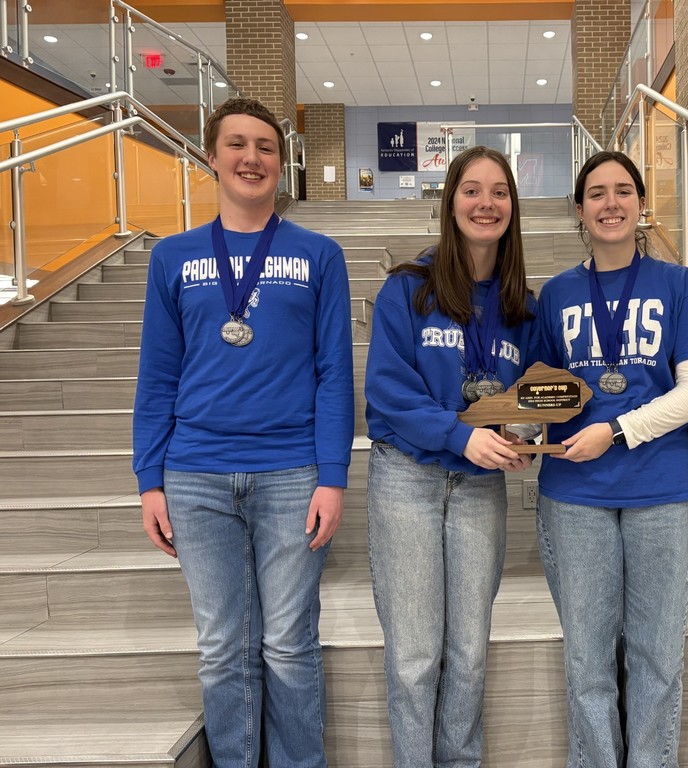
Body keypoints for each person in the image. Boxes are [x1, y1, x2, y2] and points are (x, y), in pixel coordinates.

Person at [132, 97, 354, 768]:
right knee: (223, 644)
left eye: (265, 146)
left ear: (281, 164)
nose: (252, 157)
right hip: (195, 474)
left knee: (288, 640)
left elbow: (334, 373)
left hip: (291, 473)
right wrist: (150, 480)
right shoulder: (173, 257)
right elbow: (158, 374)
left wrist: (333, 477)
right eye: (237, 144)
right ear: (211, 156)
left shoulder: (319, 253)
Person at [535, 150, 688, 768]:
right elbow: (543, 388)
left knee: (656, 656)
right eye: (596, 193)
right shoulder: (558, 293)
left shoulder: (678, 284)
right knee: (588, 659)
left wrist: (615, 430)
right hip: (573, 496)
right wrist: (510, 425)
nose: (610, 203)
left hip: (662, 493)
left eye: (623, 191)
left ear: (643, 205)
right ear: (579, 210)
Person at [364, 145, 539, 768]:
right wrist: (461, 434)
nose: (485, 203)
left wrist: (518, 437)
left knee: (468, 653)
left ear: (513, 207)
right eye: (472, 190)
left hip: (478, 491)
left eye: (499, 192)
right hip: (407, 480)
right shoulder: (408, 288)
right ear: (450, 201)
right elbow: (387, 388)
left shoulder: (524, 307)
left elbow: (530, 395)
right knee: (416, 657)